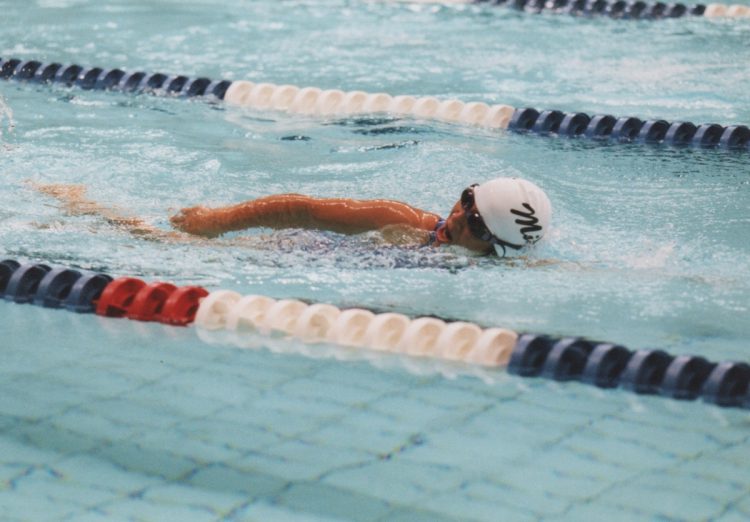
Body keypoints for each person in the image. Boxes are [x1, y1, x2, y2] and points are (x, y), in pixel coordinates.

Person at [34, 177, 552, 257]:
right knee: (173, 247)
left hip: (339, 266)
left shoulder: (488, 267)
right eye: (467, 199)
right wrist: (217, 220)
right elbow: (299, 207)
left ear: (494, 249)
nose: (459, 217)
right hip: (310, 250)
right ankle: (80, 213)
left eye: (478, 224)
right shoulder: (399, 220)